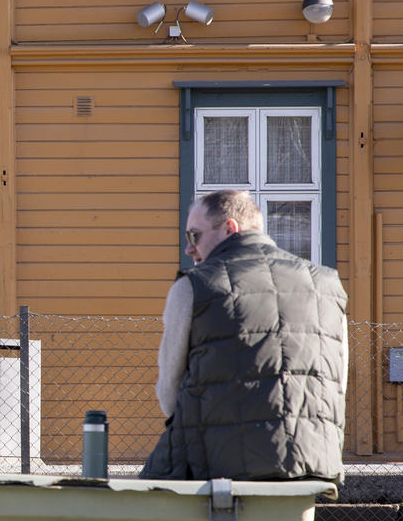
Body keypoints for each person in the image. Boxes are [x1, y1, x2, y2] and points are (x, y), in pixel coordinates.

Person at [141, 190, 348, 483]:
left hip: (211, 469)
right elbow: (337, 382)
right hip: (311, 465)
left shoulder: (193, 287)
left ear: (229, 228)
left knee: (136, 518)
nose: (190, 249)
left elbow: (169, 394)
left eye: (194, 235)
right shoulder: (327, 285)